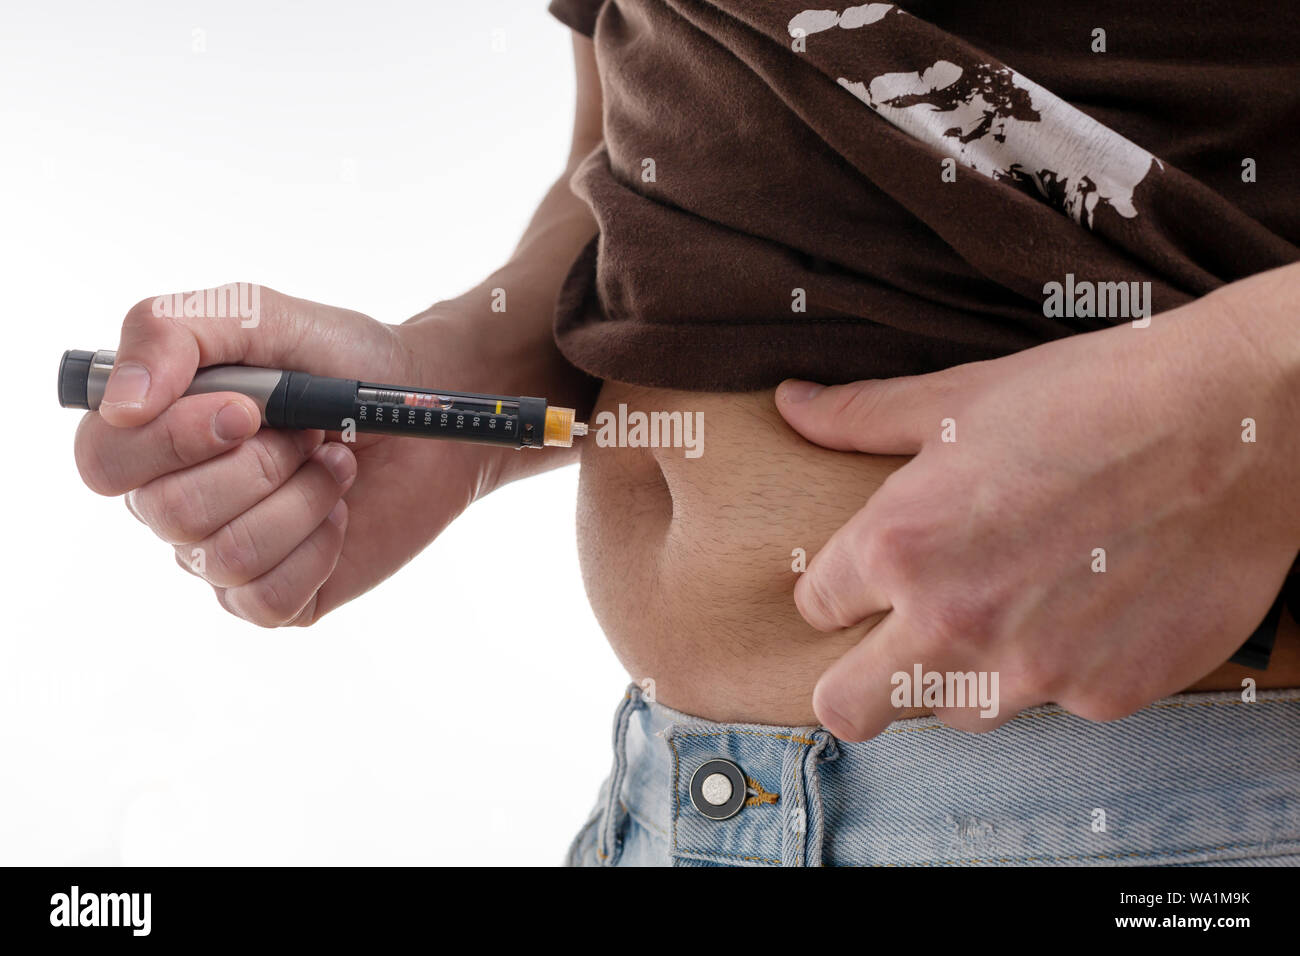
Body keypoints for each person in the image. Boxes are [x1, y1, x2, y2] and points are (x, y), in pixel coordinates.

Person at [73, 1, 1300, 866]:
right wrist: (446, 380)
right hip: (660, 799)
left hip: (1163, 798)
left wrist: (1247, 403)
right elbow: (655, 130)